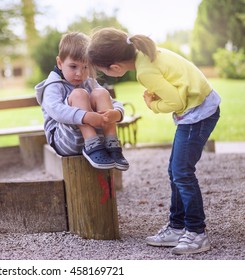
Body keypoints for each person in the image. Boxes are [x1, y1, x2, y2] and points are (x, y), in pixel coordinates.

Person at [87, 27, 220, 255]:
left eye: (103, 71)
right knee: (175, 171)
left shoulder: (144, 71)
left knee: (182, 173)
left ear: (115, 67)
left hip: (198, 114)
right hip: (200, 107)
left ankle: (197, 233)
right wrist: (162, 95)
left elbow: (177, 103)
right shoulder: (148, 53)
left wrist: (153, 105)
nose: (104, 75)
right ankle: (177, 227)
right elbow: (177, 84)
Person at [35, 32, 129, 170]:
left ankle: (112, 143)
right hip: (65, 141)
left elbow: (113, 102)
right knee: (79, 94)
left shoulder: (89, 82)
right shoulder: (53, 86)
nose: (80, 73)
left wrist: (117, 113)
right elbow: (56, 110)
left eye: (85, 67)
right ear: (60, 63)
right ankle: (92, 144)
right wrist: (85, 117)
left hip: (100, 141)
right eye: (73, 67)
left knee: (101, 93)